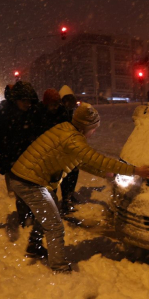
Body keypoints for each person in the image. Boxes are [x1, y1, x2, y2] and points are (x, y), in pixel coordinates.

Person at [8, 103, 149, 273]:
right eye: (94, 128)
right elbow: (97, 159)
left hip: (25, 176)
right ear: (87, 126)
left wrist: (108, 174)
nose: (94, 132)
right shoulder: (73, 140)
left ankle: (34, 245)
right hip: (30, 182)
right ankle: (59, 267)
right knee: (54, 224)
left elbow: (83, 162)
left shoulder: (66, 129)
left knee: (51, 210)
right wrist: (136, 170)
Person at [0, 81, 41, 222]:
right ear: (16, 99)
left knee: (21, 188)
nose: (27, 103)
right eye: (24, 100)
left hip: (16, 156)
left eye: (29, 101)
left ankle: (25, 216)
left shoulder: (32, 113)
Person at [58, 86, 81, 214]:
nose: (69, 104)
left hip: (72, 148)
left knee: (74, 172)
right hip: (63, 149)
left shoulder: (71, 112)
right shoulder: (61, 113)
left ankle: (69, 195)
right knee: (66, 175)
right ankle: (66, 200)